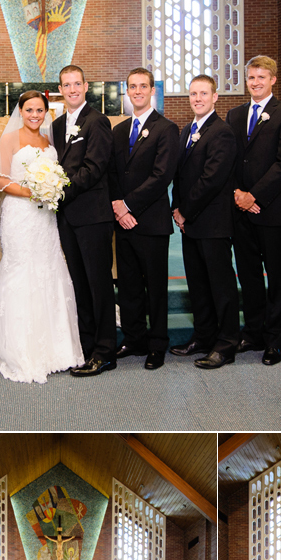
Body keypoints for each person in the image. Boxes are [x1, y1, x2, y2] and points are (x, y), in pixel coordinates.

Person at [0, 91, 83, 383]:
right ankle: (20, 350)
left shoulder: (48, 140)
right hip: (21, 215)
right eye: (29, 110)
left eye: (40, 110)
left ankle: (56, 349)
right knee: (22, 271)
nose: (35, 115)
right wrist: (32, 190)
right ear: (21, 111)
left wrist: (50, 188)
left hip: (45, 217)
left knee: (49, 270)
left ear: (46, 112)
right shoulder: (10, 139)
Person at [227, 55, 281, 365]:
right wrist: (238, 195)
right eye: (251, 78)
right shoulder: (235, 114)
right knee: (249, 275)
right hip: (240, 210)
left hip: (269, 209)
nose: (256, 82)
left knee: (275, 274)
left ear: (273, 80)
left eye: (262, 77)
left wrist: (254, 195)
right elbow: (229, 159)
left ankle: (274, 338)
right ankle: (254, 332)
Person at [109, 69, 180, 368]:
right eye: (132, 86)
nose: (137, 91)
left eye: (143, 86)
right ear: (127, 91)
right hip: (122, 222)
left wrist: (127, 206)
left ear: (152, 90)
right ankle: (134, 338)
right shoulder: (119, 130)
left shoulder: (166, 128)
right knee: (127, 286)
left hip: (150, 222)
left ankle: (156, 344)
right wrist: (116, 207)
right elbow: (112, 172)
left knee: (154, 287)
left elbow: (162, 175)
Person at [170, 75, 240, 370]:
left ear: (215, 98)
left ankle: (226, 344)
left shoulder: (222, 132)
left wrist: (185, 211)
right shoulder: (188, 129)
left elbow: (211, 179)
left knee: (220, 286)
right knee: (198, 285)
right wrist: (176, 207)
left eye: (203, 93)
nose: (197, 98)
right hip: (190, 223)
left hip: (212, 222)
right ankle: (203, 336)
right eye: (193, 94)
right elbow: (180, 175)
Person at [52, 65, 116, 376]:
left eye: (77, 83)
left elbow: (95, 168)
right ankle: (87, 348)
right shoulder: (58, 124)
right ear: (60, 89)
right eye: (67, 85)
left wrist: (57, 190)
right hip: (67, 219)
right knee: (80, 285)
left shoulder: (97, 121)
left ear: (86, 86)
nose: (73, 89)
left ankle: (105, 351)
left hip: (92, 216)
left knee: (99, 285)